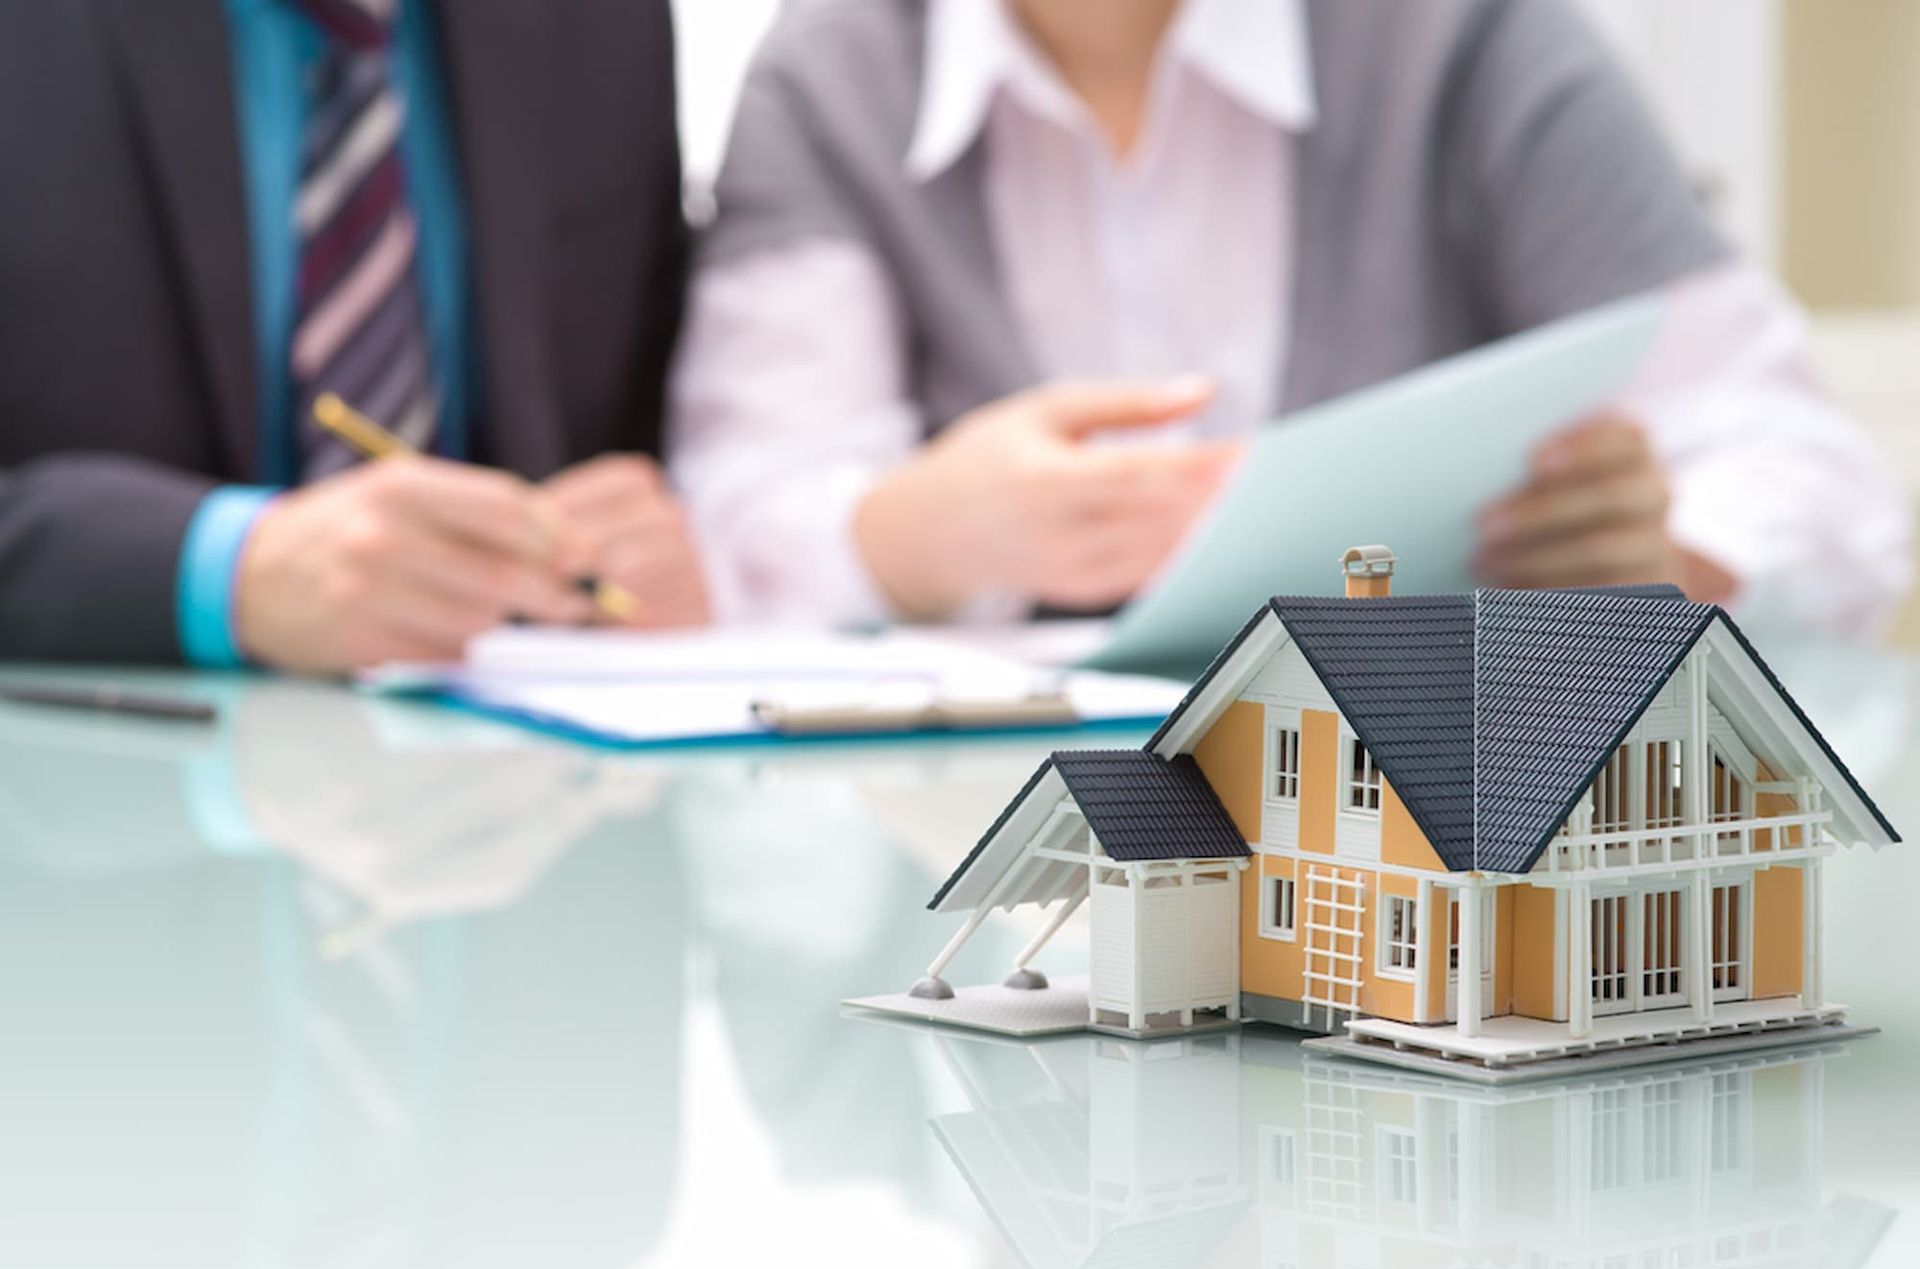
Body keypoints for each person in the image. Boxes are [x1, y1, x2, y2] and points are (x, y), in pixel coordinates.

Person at [670, 0, 1910, 638]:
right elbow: (735, 515)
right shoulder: (823, 78)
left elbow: (1798, 467)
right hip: (983, 866)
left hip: (1444, 845)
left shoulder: (1472, 38)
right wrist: (913, 539)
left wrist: (1670, 561)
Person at [0, 0, 707, 674]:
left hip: (505, 764)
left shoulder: (609, 27)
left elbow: (648, 429)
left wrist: (649, 549)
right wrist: (226, 568)